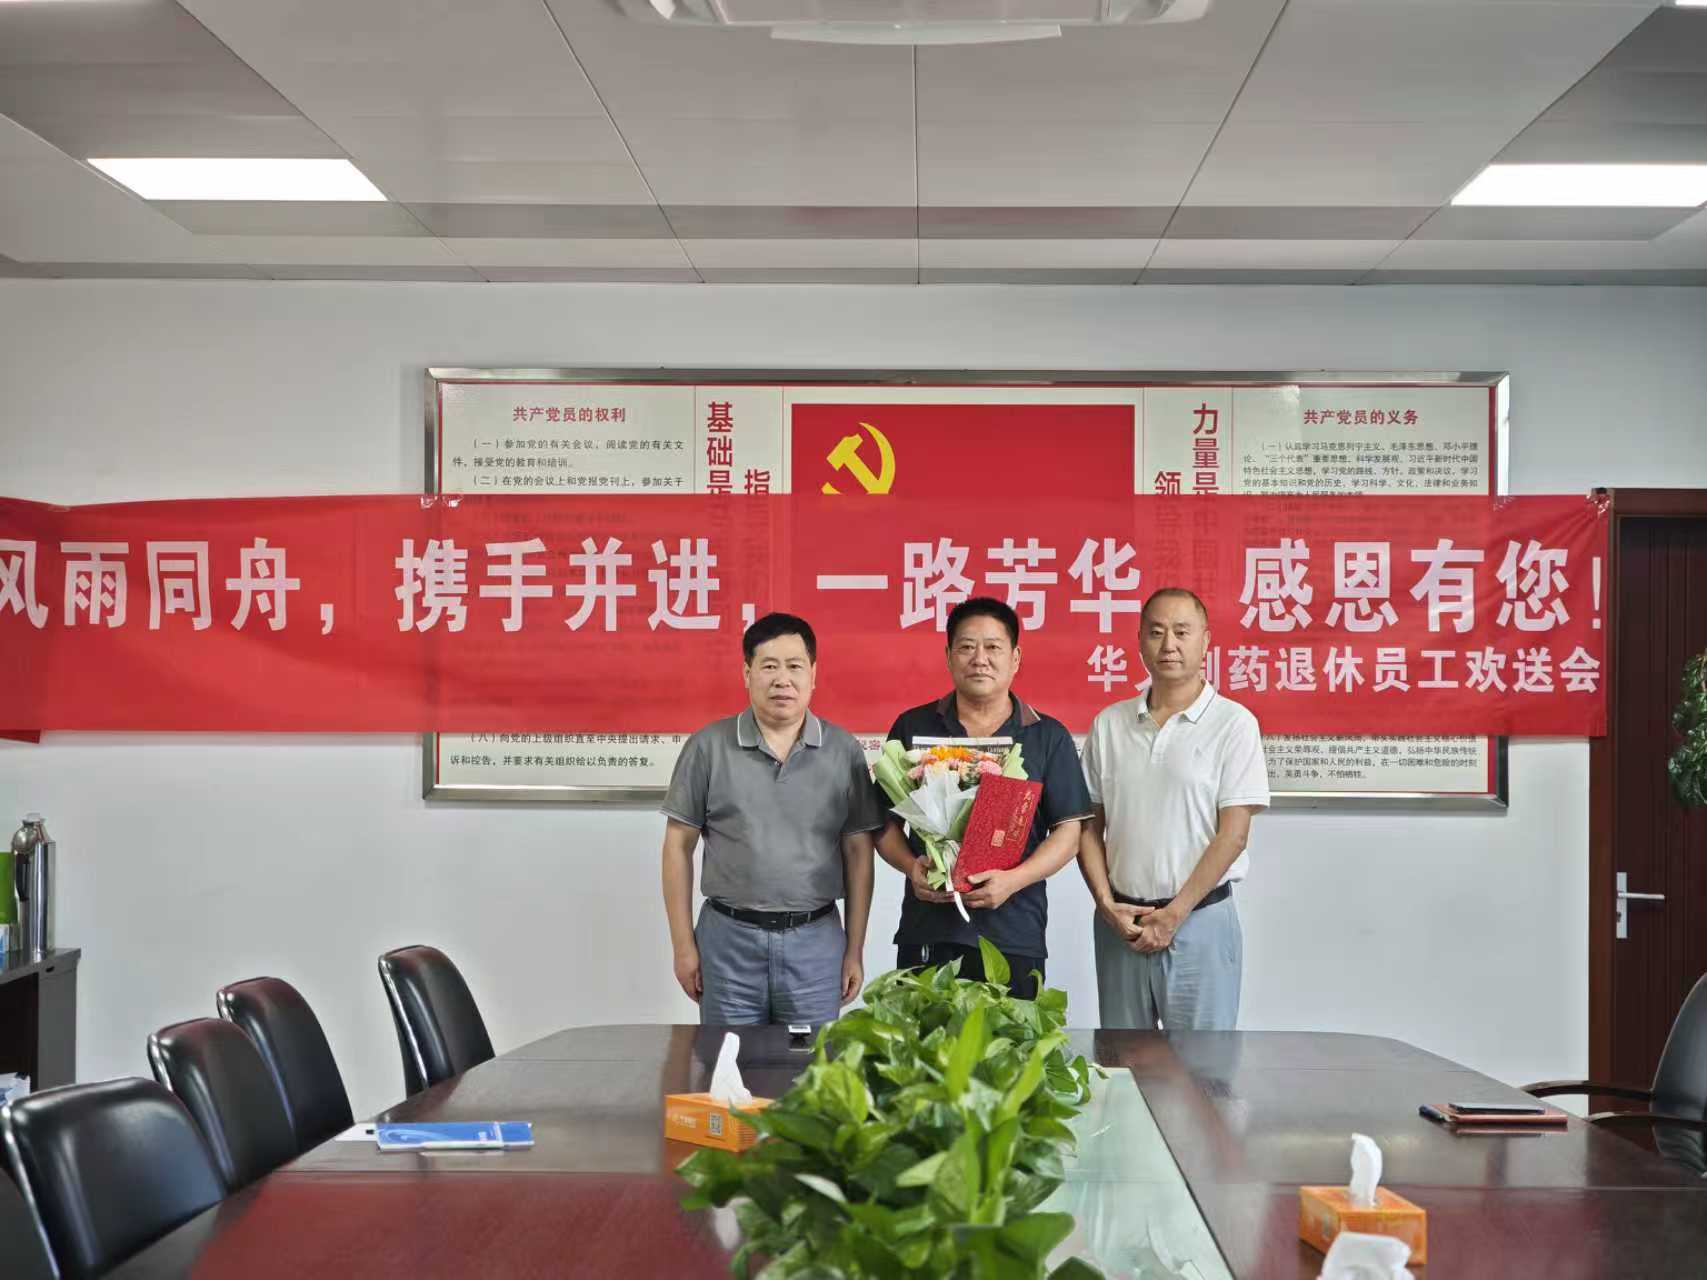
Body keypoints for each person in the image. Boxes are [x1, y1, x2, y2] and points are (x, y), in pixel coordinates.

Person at [660, 612, 881, 1026]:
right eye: (769, 666)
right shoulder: (708, 747)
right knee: (728, 1065)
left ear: (813, 675)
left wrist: (855, 948)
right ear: (747, 674)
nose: (783, 680)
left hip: (815, 945)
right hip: (728, 944)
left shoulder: (843, 750)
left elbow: (858, 853)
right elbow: (677, 846)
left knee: (810, 1063)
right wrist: (683, 945)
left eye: (795, 666)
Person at [874, 597, 1092, 998]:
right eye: (967, 646)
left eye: (993, 647)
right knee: (921, 1038)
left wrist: (1012, 881)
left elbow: (1068, 834)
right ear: (948, 656)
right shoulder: (913, 727)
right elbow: (884, 825)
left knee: (1011, 1039)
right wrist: (910, 867)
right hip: (929, 928)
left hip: (1013, 932)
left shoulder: (1047, 736)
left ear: (1015, 658)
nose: (980, 659)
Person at [1077, 587, 1270, 1030]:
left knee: (1203, 1066)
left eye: (1182, 632)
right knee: (1124, 1061)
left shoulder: (1234, 724)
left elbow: (1233, 835)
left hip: (1199, 922)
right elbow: (1087, 825)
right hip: (1121, 926)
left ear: (1205, 640)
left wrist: (1174, 915)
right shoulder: (1110, 724)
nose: (1169, 645)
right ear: (1139, 641)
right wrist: (1105, 904)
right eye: (1156, 632)